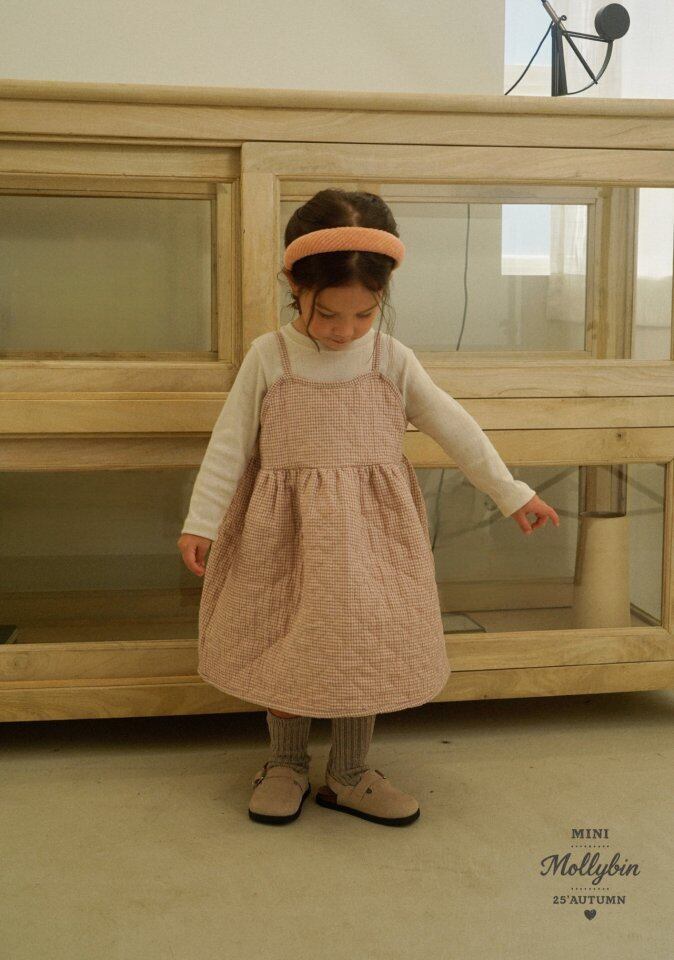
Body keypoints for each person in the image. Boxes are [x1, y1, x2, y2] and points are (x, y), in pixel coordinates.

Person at [177, 189, 560, 828]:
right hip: (284, 536)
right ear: (295, 286)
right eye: (328, 313)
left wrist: (511, 491)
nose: (345, 330)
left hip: (370, 539)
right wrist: (201, 521)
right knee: (287, 642)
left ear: (382, 298)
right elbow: (229, 444)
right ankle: (285, 763)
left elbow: (456, 428)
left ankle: (350, 772)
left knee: (361, 644)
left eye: (364, 313)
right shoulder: (269, 357)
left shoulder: (391, 359)